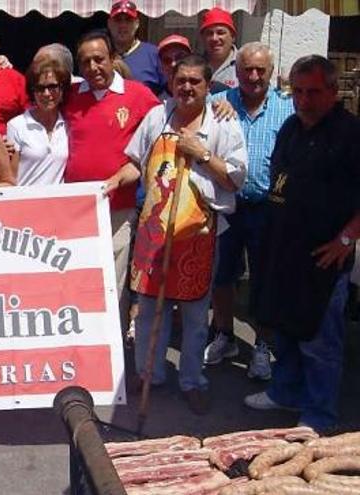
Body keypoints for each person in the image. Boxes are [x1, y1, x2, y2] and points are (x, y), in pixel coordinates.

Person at [125, 55, 247, 415]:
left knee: (195, 317)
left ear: (209, 86)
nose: (187, 87)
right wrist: (106, 187)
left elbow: (235, 179)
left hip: (199, 237)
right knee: (149, 311)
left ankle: (193, 381)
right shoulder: (156, 118)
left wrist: (202, 153)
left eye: (195, 81)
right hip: (154, 235)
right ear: (172, 83)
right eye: (181, 81)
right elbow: (135, 163)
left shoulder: (223, 124)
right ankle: (149, 374)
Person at [245, 55, 360, 431]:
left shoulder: (349, 133)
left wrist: (347, 238)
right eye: (298, 92)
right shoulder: (292, 127)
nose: (305, 100)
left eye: (313, 92)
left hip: (325, 257)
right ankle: (285, 392)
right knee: (286, 328)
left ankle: (318, 414)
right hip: (285, 250)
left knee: (320, 341)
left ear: (331, 91)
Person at [205, 42, 295, 380]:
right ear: (236, 72)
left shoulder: (286, 108)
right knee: (222, 275)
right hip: (229, 205)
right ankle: (225, 335)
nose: (253, 76)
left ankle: (262, 344)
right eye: (247, 70)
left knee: (264, 279)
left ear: (271, 72)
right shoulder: (220, 105)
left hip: (269, 208)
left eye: (260, 70)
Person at [63, 30, 160, 327]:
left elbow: (169, 121)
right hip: (76, 211)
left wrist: (221, 103)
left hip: (118, 207)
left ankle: (113, 351)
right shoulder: (71, 96)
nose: (93, 68)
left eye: (99, 59)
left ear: (113, 59)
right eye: (85, 62)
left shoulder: (138, 94)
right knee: (78, 278)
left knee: (114, 285)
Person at [7, 60, 69, 186]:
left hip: (59, 203)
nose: (47, 94)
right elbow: (10, 180)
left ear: (62, 89)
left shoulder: (69, 124)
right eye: (40, 88)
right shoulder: (16, 126)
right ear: (32, 92)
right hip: (26, 202)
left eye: (52, 87)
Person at [107, 0, 166, 95]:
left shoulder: (154, 54)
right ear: (109, 23)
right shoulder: (101, 54)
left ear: (137, 24)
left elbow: (167, 92)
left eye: (128, 20)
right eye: (118, 20)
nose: (123, 25)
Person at [200, 8, 239, 94]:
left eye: (220, 32)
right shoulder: (195, 65)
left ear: (232, 37)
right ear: (202, 38)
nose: (215, 38)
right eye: (209, 33)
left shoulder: (244, 64)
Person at [156, 35, 192, 100]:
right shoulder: (156, 98)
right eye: (167, 60)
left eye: (179, 57)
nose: (173, 64)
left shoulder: (204, 94)